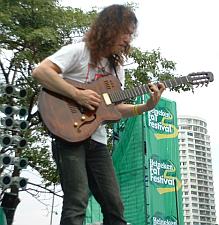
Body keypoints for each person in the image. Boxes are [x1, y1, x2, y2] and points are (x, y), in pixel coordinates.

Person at [32, 4, 165, 225]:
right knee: (77, 201)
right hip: (70, 136)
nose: (127, 39)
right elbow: (41, 71)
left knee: (115, 206)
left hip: (97, 141)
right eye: (125, 32)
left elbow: (111, 109)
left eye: (131, 35)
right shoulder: (78, 51)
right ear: (109, 28)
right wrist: (78, 94)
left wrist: (146, 107)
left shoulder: (116, 70)